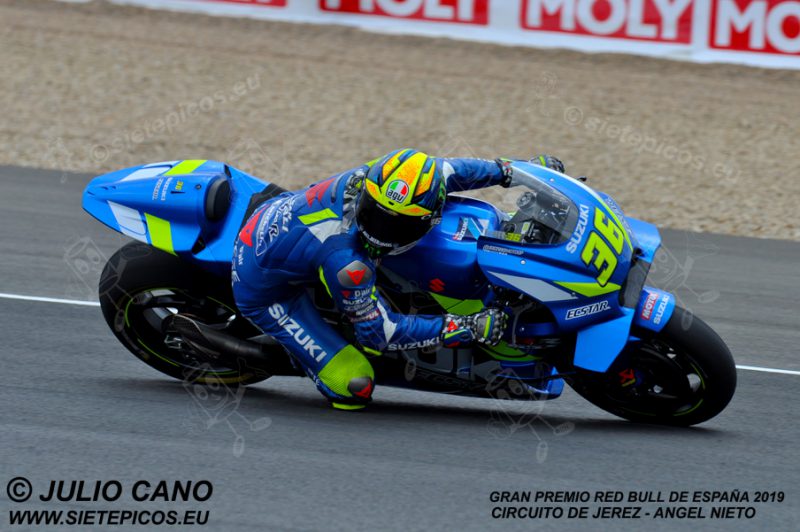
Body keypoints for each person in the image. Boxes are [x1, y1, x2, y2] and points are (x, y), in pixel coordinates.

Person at [231, 149, 565, 410]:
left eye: (397, 225)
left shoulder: (396, 173)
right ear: (368, 195)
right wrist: (469, 326)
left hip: (281, 217)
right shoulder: (348, 264)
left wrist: (523, 172)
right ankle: (297, 355)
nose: (380, 233)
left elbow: (461, 170)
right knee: (354, 387)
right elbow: (380, 334)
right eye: (375, 215)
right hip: (264, 288)